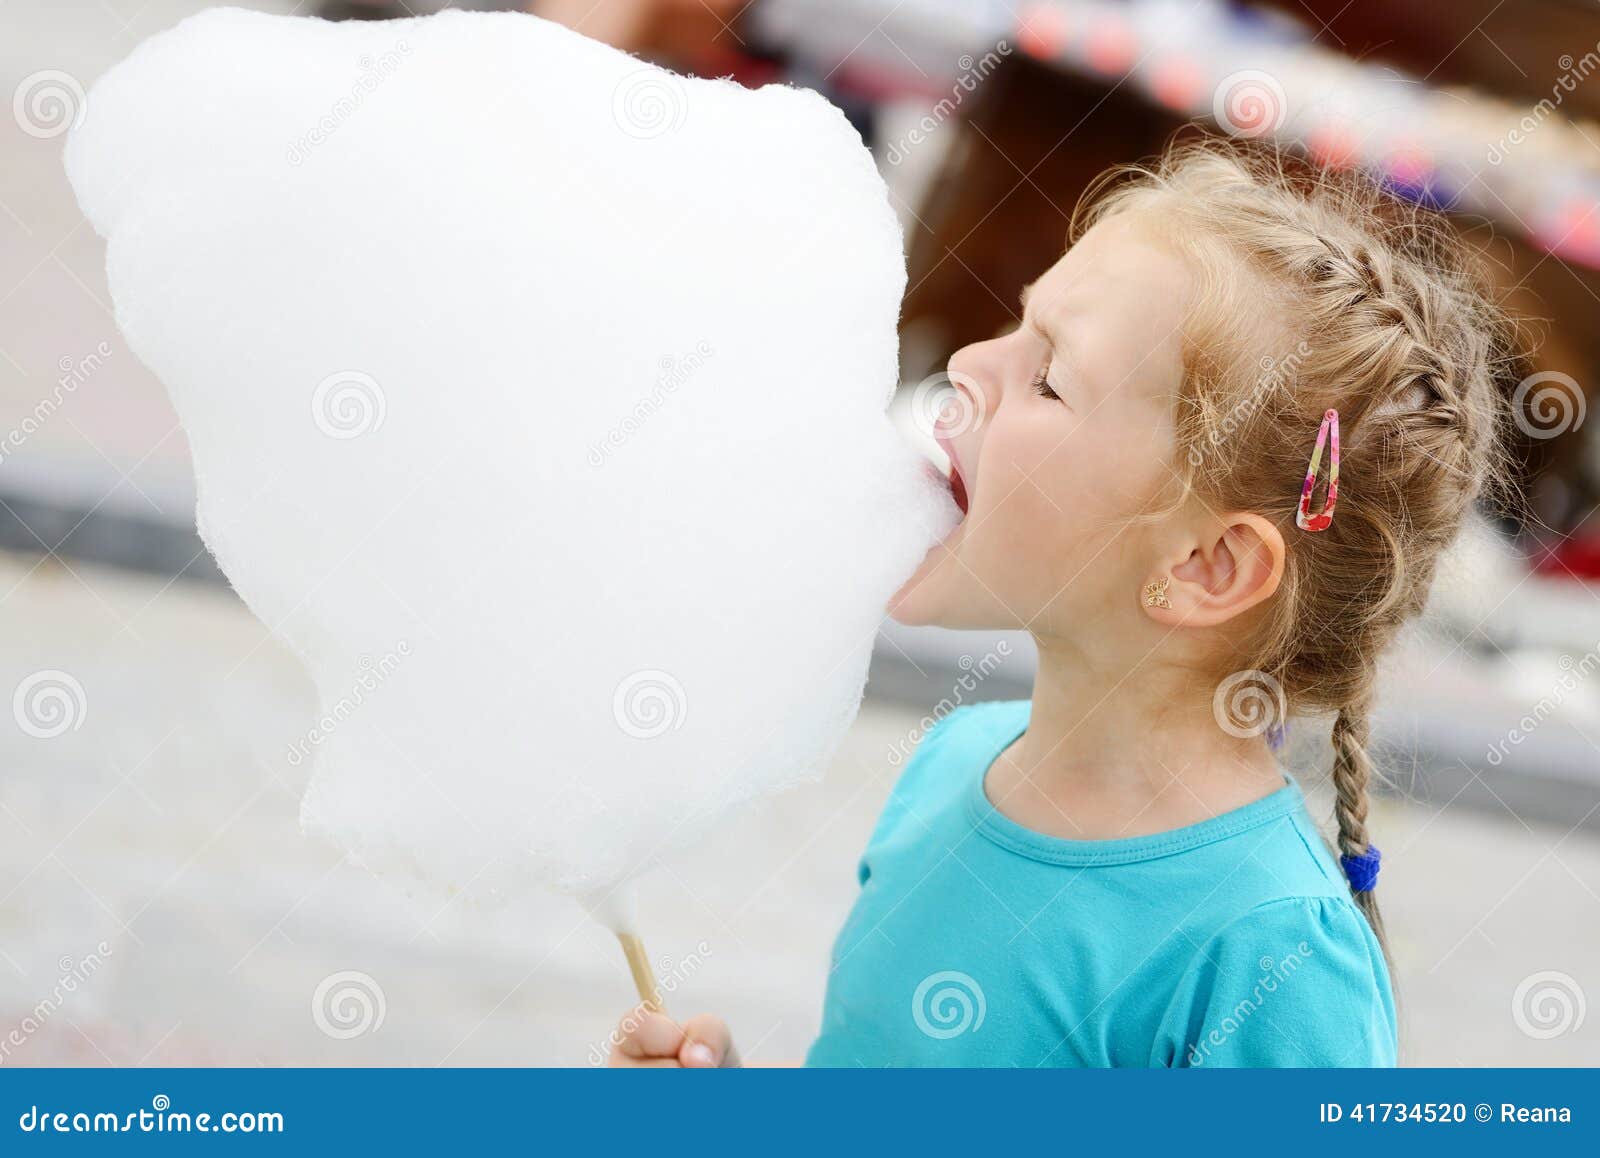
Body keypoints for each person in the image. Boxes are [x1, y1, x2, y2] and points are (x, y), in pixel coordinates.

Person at [609, 136, 1518, 1067]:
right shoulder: (953, 763)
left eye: (1048, 376)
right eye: (1016, 322)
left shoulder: (1270, 959)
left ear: (1207, 564)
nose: (967, 362)